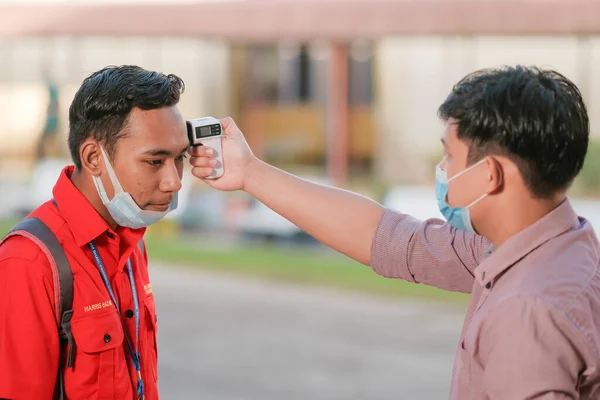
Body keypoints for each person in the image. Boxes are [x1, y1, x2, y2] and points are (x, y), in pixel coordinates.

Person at [189, 65, 600, 399]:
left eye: (449, 155)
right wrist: (249, 172)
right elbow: (391, 239)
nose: (442, 170)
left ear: (489, 174)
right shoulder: (556, 246)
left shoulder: (525, 309)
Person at [0, 65, 188, 399]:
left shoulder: (131, 239)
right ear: (93, 157)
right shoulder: (29, 262)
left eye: (179, 159)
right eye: (155, 161)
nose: (174, 181)